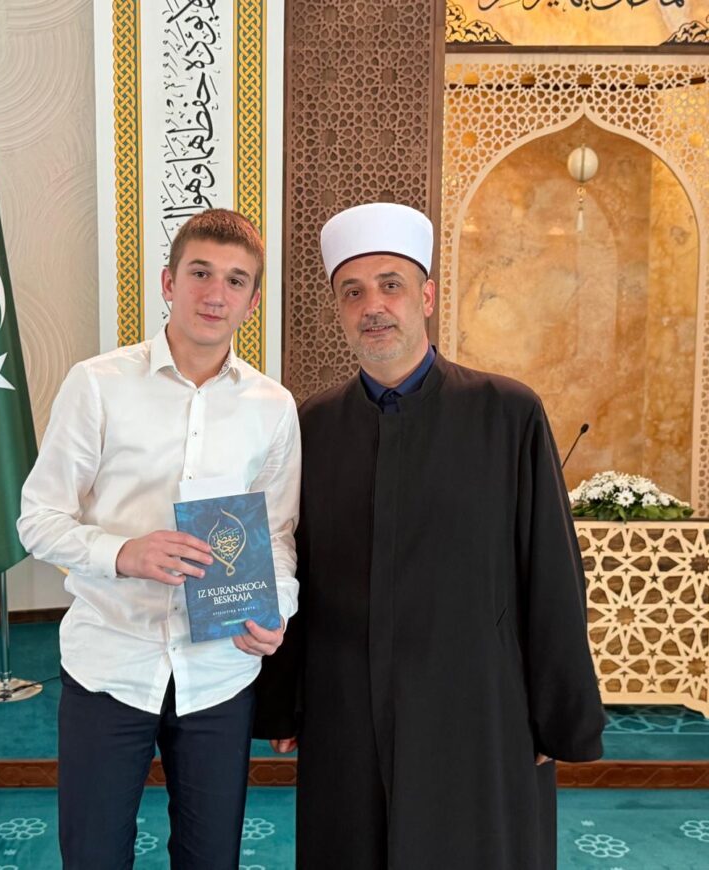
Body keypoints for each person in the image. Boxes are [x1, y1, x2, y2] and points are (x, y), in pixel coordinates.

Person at [255, 202, 604, 869]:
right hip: (346, 703)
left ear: (427, 297)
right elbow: (294, 562)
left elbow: (551, 574)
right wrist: (284, 701)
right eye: (352, 292)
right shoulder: (312, 425)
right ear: (338, 310)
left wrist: (555, 716)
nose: (373, 307)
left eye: (390, 286)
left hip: (477, 704)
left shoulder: (507, 414)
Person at [18, 209, 299, 869]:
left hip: (219, 672)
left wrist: (276, 609)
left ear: (253, 302)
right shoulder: (98, 385)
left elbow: (277, 534)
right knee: (93, 855)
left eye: (235, 280)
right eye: (200, 273)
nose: (215, 294)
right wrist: (123, 553)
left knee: (211, 858)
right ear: (169, 282)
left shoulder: (273, 407)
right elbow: (38, 519)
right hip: (110, 662)